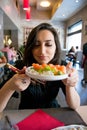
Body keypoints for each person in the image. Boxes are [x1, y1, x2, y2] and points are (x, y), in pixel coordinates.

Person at [0, 23, 80, 112]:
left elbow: (75, 106)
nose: (42, 51)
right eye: (36, 45)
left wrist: (70, 85)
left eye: (48, 44)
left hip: (53, 112)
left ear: (56, 47)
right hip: (26, 114)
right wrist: (10, 86)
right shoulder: (22, 66)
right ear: (31, 47)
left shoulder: (61, 67)